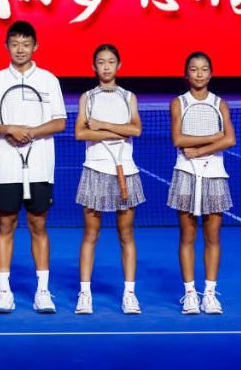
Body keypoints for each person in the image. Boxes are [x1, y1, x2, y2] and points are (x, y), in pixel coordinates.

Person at [0, 22, 67, 314]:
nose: (20, 49)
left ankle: (42, 291)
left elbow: (60, 121)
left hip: (40, 166)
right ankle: (4, 291)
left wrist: (30, 131)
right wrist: (9, 129)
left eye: (26, 44)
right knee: (5, 225)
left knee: (38, 226)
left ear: (35, 47)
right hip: (6, 165)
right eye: (15, 43)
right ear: (7, 46)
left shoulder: (48, 80)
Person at [73, 44, 145, 315]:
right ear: (94, 67)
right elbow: (80, 133)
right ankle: (85, 294)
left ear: (119, 65)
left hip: (125, 171)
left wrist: (101, 125)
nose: (106, 66)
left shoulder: (129, 97)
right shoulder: (87, 97)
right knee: (90, 234)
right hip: (94, 170)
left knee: (126, 235)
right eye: (101, 62)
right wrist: (118, 132)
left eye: (111, 62)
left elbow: (135, 129)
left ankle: (129, 294)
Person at [168, 52, 235, 315]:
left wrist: (197, 150)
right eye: (194, 70)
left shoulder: (220, 104)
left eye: (204, 69)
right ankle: (190, 294)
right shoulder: (178, 103)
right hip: (185, 175)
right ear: (187, 75)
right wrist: (215, 136)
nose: (199, 74)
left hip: (215, 176)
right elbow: (178, 139)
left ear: (210, 74)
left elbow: (230, 139)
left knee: (213, 236)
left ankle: (209, 294)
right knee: (187, 235)